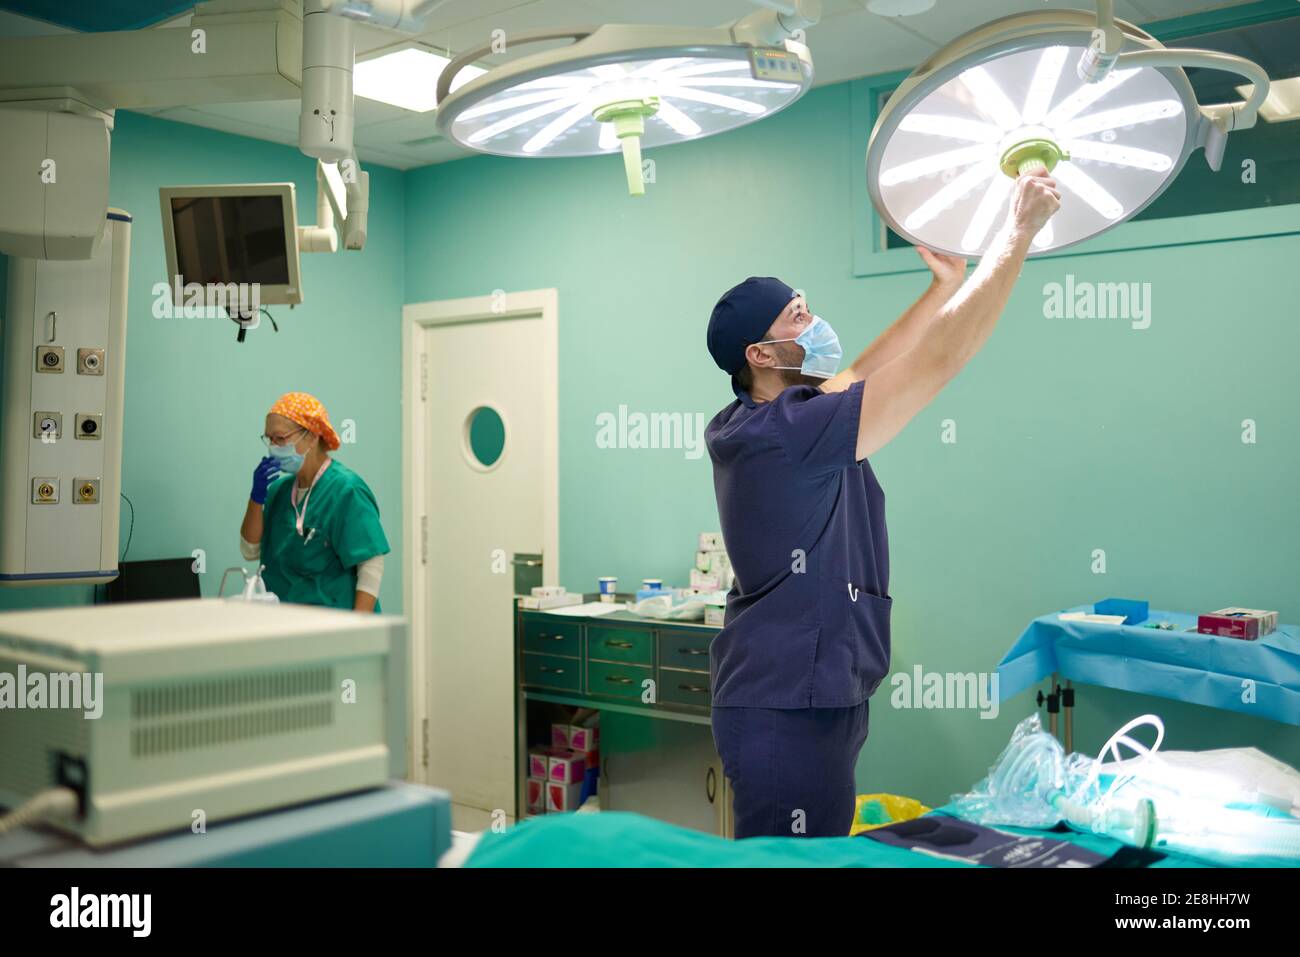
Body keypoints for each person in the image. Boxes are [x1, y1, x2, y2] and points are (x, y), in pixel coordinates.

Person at [703, 173, 1061, 838]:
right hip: (786, 707)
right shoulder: (785, 433)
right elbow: (938, 360)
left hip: (817, 694)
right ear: (760, 353)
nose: (815, 320)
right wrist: (1018, 235)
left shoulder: (769, 417)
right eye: (798, 316)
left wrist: (942, 287)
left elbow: (856, 375)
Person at [239, 392, 390, 612]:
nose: (272, 446)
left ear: (311, 436)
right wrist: (256, 498)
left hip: (336, 626)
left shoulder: (346, 490)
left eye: (280, 438)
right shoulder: (278, 491)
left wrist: (359, 628)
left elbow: (371, 566)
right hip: (287, 626)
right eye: (268, 438)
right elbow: (249, 550)